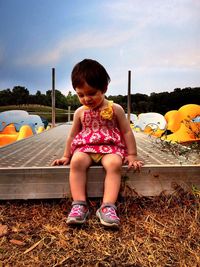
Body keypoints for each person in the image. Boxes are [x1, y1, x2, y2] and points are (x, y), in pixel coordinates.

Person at [52, 59, 143, 227]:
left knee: (114, 164)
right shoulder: (80, 112)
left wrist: (132, 155)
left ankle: (108, 206)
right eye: (81, 95)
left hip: (109, 147)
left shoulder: (115, 109)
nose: (86, 99)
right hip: (86, 147)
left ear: (104, 89)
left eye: (91, 93)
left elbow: (126, 131)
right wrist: (66, 155)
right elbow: (72, 136)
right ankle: (79, 204)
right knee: (77, 161)